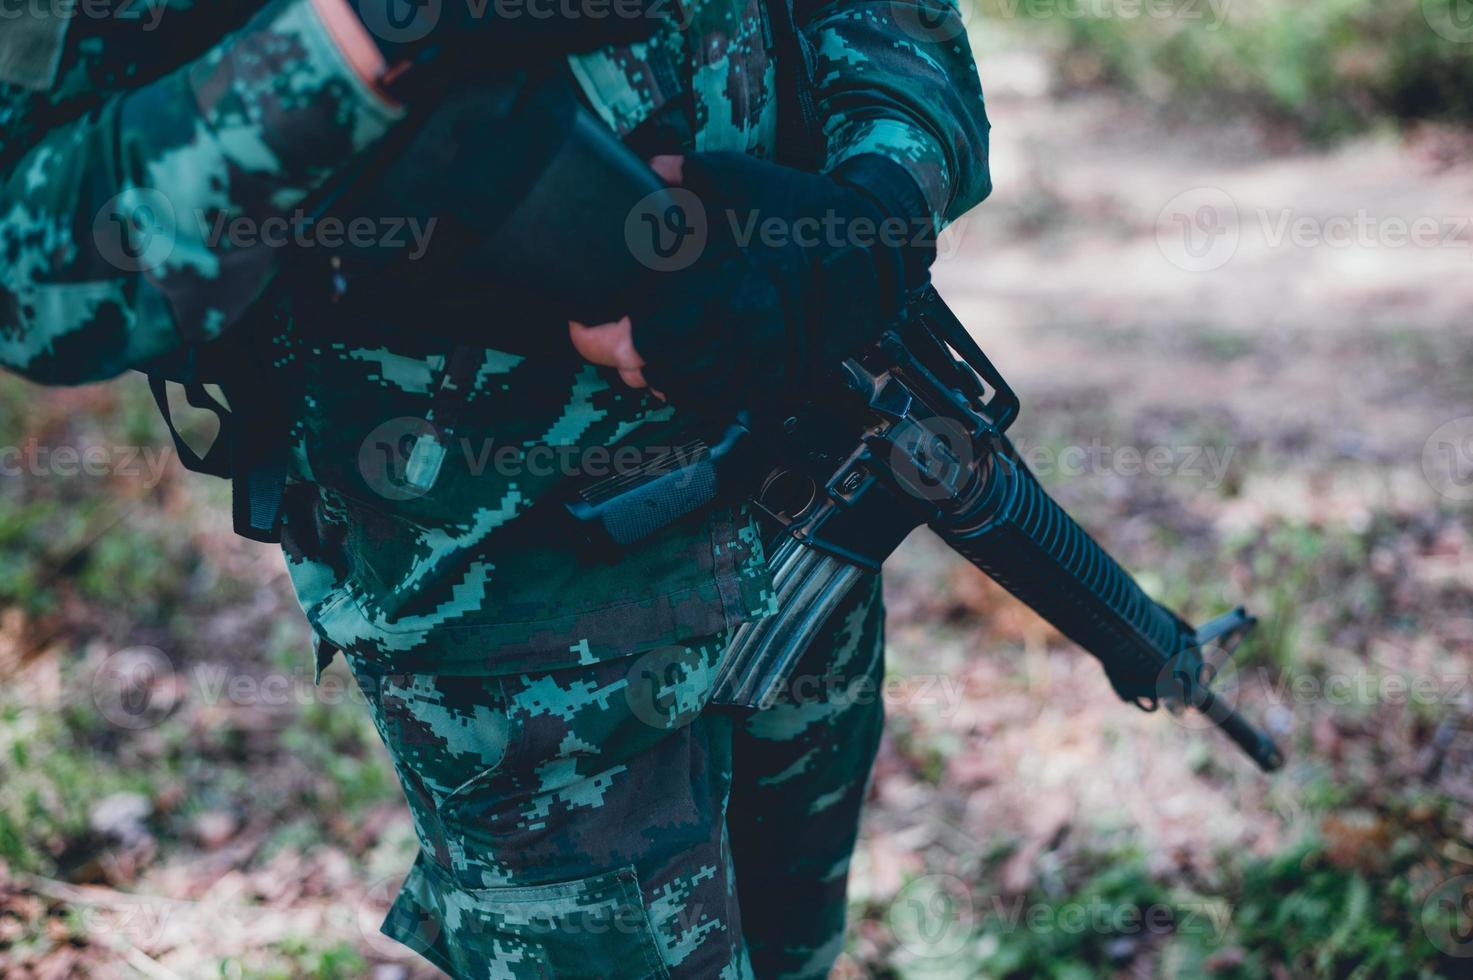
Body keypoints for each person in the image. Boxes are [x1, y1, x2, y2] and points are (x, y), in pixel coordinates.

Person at [0, 1, 990, 975]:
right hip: (524, 623)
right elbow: (36, 262)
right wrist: (377, 31)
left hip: (808, 493)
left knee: (794, 953)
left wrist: (881, 199)